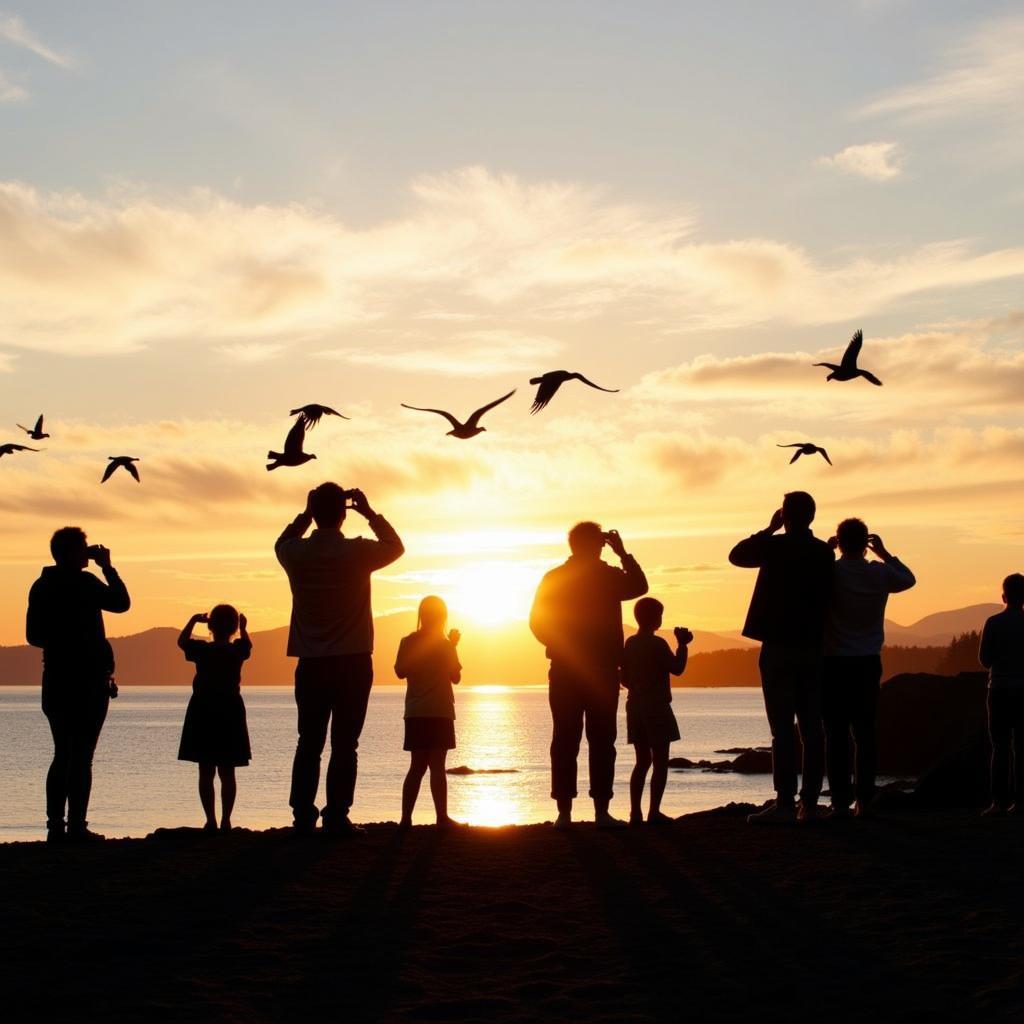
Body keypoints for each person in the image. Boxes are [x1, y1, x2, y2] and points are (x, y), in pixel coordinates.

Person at [276, 484, 404, 836]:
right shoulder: (357, 552)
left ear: (315, 514)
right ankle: (336, 816)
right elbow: (396, 547)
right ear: (344, 513)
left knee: (309, 742)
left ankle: (303, 816)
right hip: (352, 661)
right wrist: (370, 512)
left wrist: (304, 515)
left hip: (312, 662)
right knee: (345, 743)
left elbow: (280, 542)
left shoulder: (296, 554)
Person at [530, 522, 648, 828]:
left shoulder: (555, 577)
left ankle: (565, 814)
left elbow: (536, 622)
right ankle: (599, 812)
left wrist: (558, 644)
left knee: (566, 739)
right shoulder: (607, 577)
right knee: (600, 740)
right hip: (599, 670)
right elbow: (640, 586)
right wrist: (623, 553)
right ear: (597, 545)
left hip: (568, 670)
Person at [729, 492, 834, 825]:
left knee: (783, 730)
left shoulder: (774, 547)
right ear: (812, 517)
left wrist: (769, 529)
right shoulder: (822, 552)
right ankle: (810, 803)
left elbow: (737, 555)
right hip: (813, 646)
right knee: (812, 729)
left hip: (778, 645)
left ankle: (786, 803)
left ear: (784, 515)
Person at [26, 527, 131, 842]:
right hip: (86, 681)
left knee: (63, 752)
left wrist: (60, 644)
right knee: (82, 754)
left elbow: (33, 636)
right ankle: (76, 827)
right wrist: (108, 567)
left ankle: (57, 826)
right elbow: (122, 603)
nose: (88, 552)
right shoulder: (85, 583)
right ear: (72, 553)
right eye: (84, 548)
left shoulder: (41, 585)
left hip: (56, 679)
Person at [823, 520, 915, 819]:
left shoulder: (831, 572)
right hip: (867, 660)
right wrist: (884, 553)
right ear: (866, 543)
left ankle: (838, 803)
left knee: (835, 734)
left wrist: (826, 552)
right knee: (865, 733)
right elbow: (908, 579)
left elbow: (809, 579)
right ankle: (864, 800)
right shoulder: (879, 573)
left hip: (834, 661)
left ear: (839, 540)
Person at [177, 605, 253, 832]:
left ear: (210, 626)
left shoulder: (202, 650)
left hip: (203, 709)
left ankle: (210, 820)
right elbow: (247, 645)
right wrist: (244, 628)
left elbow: (182, 642)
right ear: (234, 628)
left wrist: (192, 620)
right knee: (227, 771)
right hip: (230, 709)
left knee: (206, 770)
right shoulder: (237, 649)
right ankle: (226, 820)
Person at [621, 597, 691, 826]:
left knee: (641, 761)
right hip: (657, 706)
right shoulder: (658, 644)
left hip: (635, 705)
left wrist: (639, 686)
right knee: (660, 761)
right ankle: (654, 812)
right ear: (655, 618)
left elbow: (624, 677)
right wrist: (682, 645)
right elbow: (678, 669)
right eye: (660, 615)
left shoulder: (630, 643)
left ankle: (634, 813)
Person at [395, 596, 463, 828]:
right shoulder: (445, 645)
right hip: (440, 710)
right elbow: (456, 677)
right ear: (442, 617)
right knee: (437, 766)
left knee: (417, 766)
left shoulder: (407, 641)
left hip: (415, 710)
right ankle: (441, 817)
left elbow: (400, 671)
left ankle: (406, 819)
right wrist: (451, 647)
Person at [978, 573, 1024, 816]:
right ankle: (1021, 803)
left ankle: (998, 803)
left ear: (1003, 596)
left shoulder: (993, 622)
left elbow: (985, 660)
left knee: (1000, 747)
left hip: (999, 689)